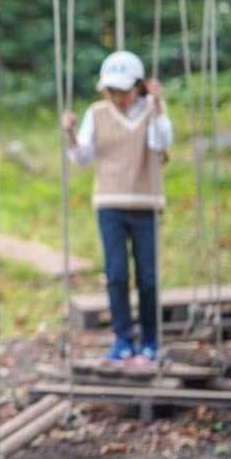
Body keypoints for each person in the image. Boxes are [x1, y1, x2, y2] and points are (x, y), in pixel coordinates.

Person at [61, 50, 173, 365]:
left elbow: (160, 143)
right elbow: (82, 157)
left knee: (148, 276)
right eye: (111, 90)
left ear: (139, 86)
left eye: (123, 90)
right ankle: (123, 339)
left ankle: (150, 340)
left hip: (145, 202)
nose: (117, 97)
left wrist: (157, 104)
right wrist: (70, 132)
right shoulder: (96, 113)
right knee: (116, 273)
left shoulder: (152, 112)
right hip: (109, 202)